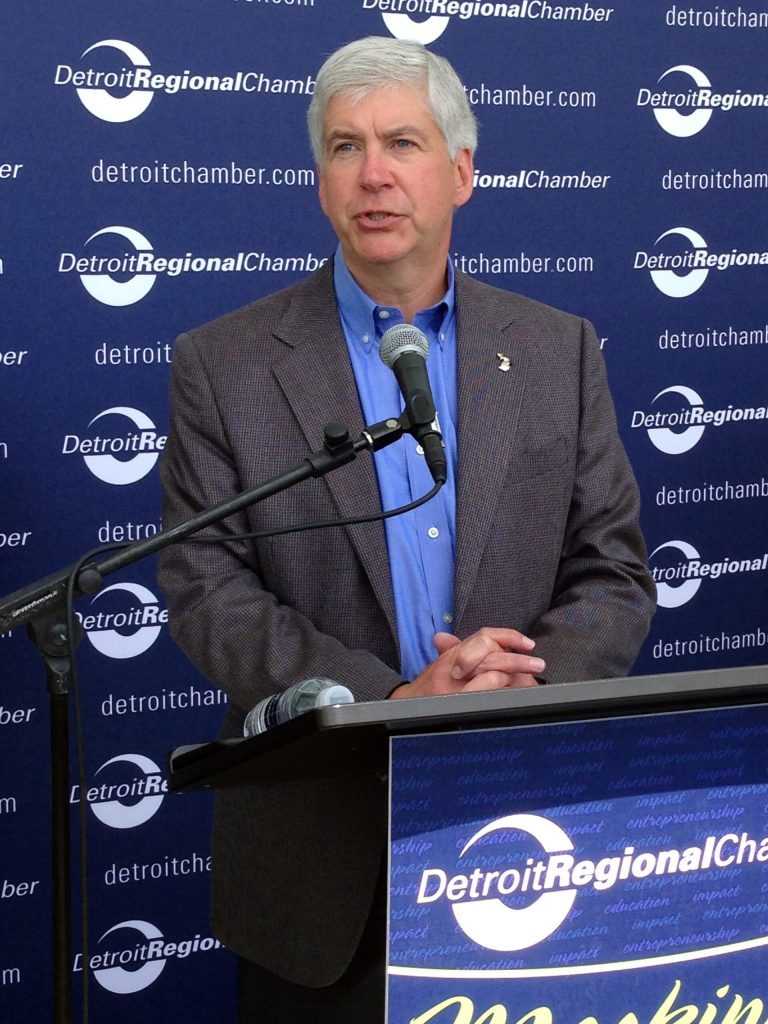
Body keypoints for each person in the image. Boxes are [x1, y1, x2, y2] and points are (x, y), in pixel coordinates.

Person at [157, 35, 655, 1023]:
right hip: (319, 871)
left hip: (523, 838)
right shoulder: (223, 364)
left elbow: (614, 573)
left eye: (401, 143)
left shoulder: (558, 349)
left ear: (463, 171)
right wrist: (388, 701)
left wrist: (515, 685)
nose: (373, 173)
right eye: (344, 148)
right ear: (320, 180)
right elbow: (208, 589)